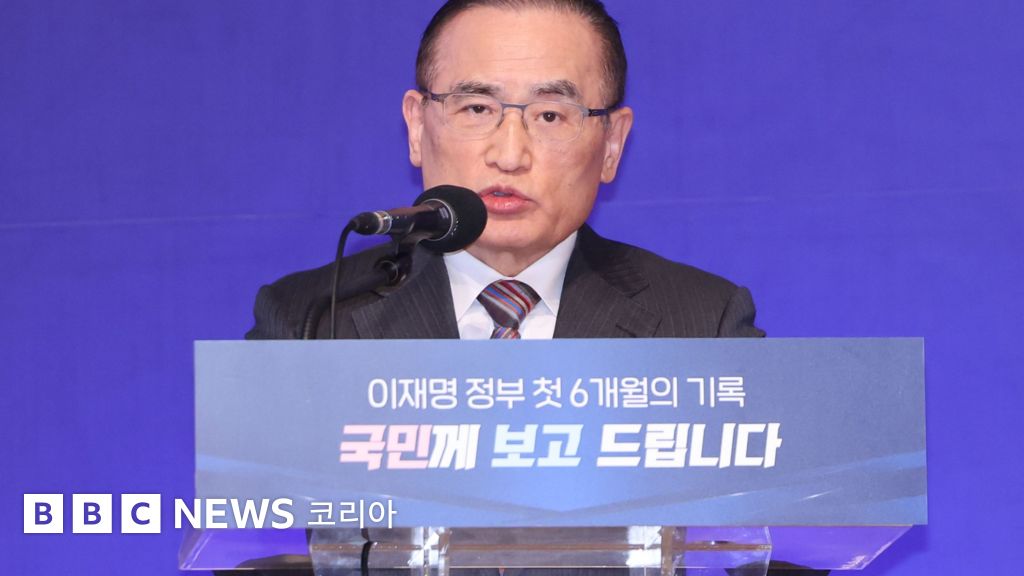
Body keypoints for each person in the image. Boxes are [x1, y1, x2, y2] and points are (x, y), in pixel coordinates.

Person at [247, 0, 764, 342]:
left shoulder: (704, 325)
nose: (510, 155)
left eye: (550, 115)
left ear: (612, 144)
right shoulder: (309, 319)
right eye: (477, 109)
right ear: (417, 127)